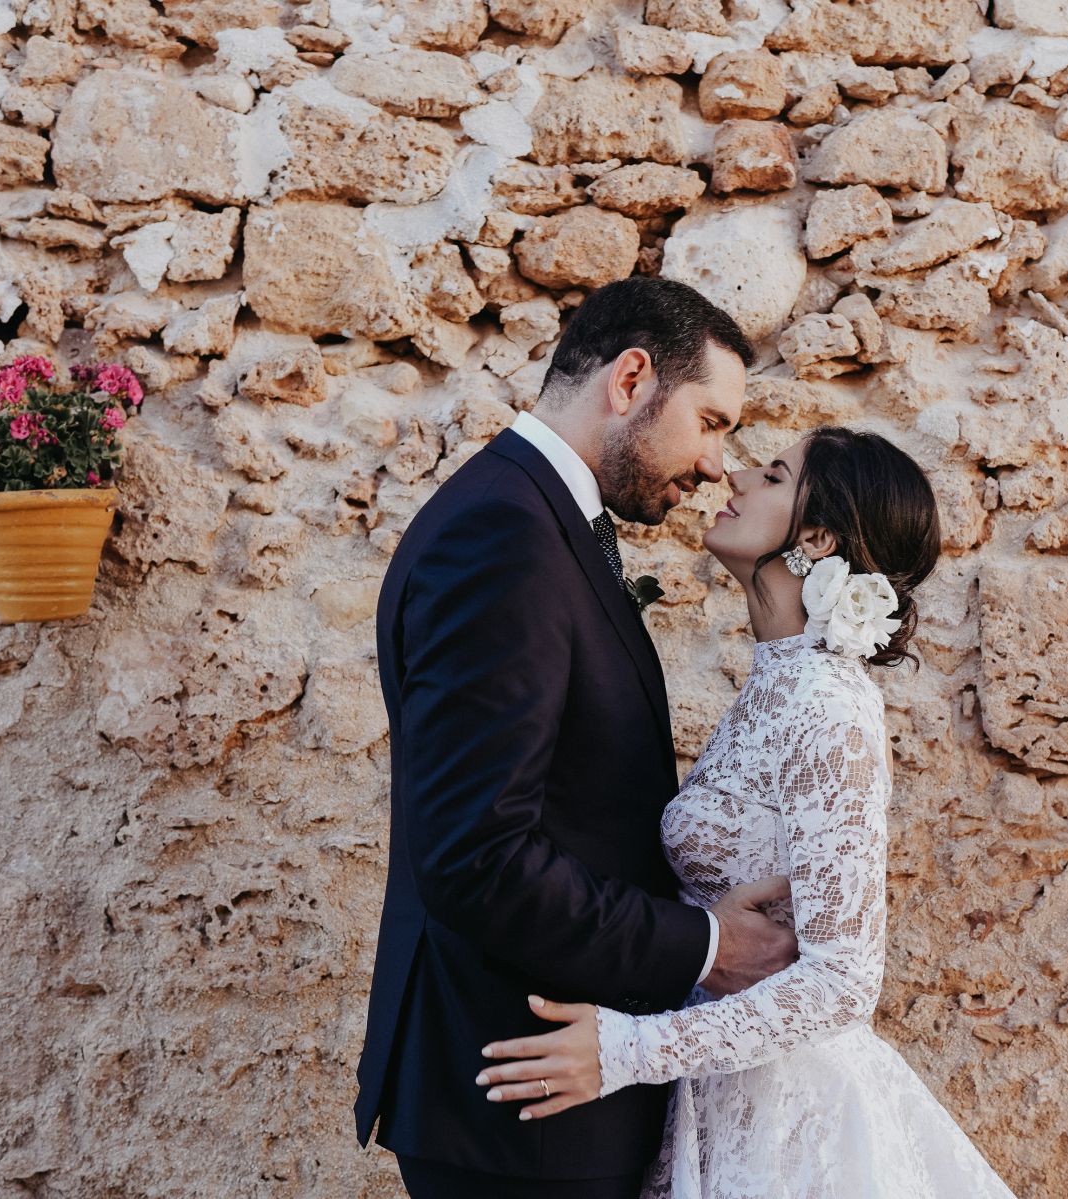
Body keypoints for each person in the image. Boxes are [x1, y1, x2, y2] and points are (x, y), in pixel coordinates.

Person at [473, 427, 1021, 1198]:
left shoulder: (830, 707)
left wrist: (627, 1050)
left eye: (770, 475)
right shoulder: (775, 681)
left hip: (790, 1125)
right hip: (718, 1093)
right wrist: (705, 925)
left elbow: (843, 979)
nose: (730, 474)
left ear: (818, 535)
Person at [354, 276, 801, 1199]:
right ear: (632, 379)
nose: (719, 465)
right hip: (523, 1097)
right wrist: (702, 945)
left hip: (546, 1091)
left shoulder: (533, 516)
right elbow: (479, 855)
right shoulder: (503, 536)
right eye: (712, 422)